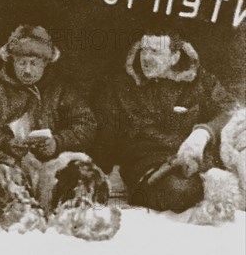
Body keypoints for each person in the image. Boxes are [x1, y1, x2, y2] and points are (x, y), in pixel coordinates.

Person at [0, 25, 97, 231]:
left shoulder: (61, 92)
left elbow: (86, 123)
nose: (27, 70)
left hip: (52, 166)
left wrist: (58, 142)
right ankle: (23, 216)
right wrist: (5, 142)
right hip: (13, 164)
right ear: (12, 61)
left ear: (45, 63)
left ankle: (73, 215)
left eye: (34, 63)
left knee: (80, 170)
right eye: (22, 63)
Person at [92, 31, 237, 212]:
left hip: (194, 163)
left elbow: (230, 110)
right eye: (143, 50)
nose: (146, 58)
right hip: (149, 170)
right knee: (181, 191)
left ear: (174, 58)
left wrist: (203, 132)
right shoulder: (121, 87)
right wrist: (101, 174)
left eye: (155, 51)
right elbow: (104, 137)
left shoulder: (200, 81)